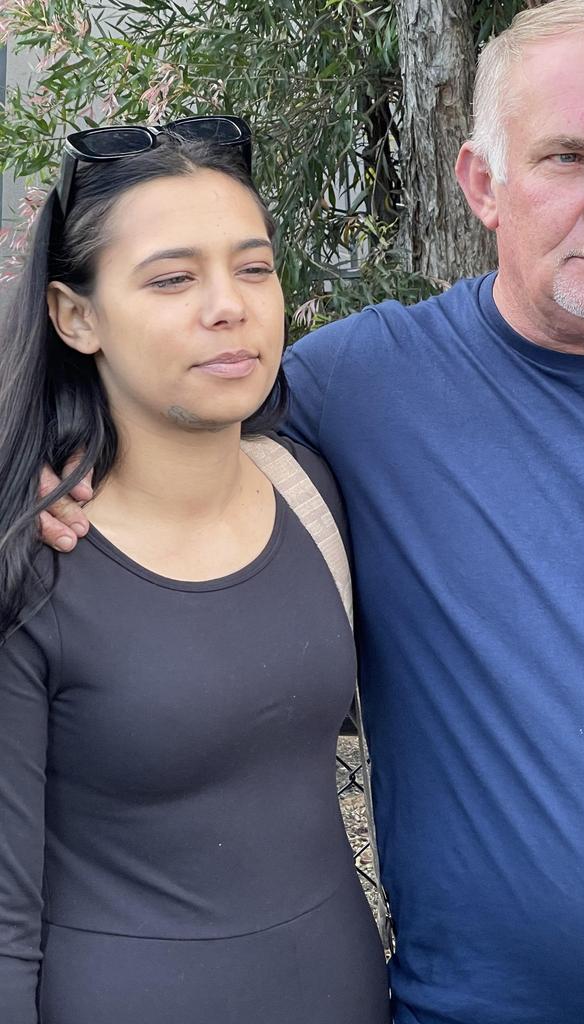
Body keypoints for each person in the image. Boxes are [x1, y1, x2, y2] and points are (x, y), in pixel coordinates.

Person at [39, 1, 584, 1022]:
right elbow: (174, 396)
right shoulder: (361, 385)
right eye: (565, 157)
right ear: (482, 183)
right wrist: (55, 453)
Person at [0, 120, 390, 1024]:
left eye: (253, 268)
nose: (229, 305)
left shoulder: (314, 495)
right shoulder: (34, 561)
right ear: (75, 315)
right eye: (173, 278)